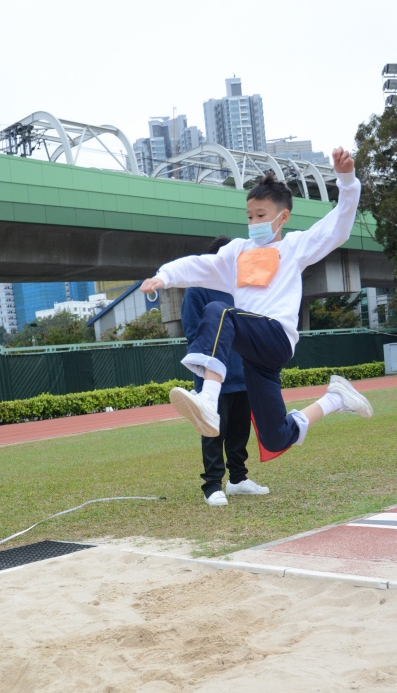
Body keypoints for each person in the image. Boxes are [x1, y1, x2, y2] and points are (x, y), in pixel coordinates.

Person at [140, 147, 373, 462]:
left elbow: (338, 226)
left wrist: (346, 180)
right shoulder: (237, 251)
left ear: (283, 217)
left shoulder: (294, 247)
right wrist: (164, 277)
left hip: (276, 336)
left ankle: (208, 398)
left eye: (261, 216)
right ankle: (336, 398)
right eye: (250, 217)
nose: (254, 223)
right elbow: (200, 265)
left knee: (218, 311)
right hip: (255, 353)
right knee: (274, 437)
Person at [181, 236, 269, 506]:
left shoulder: (241, 290)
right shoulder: (197, 290)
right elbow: (194, 333)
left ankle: (238, 480)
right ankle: (212, 485)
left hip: (244, 372)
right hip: (213, 378)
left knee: (240, 431)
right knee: (213, 430)